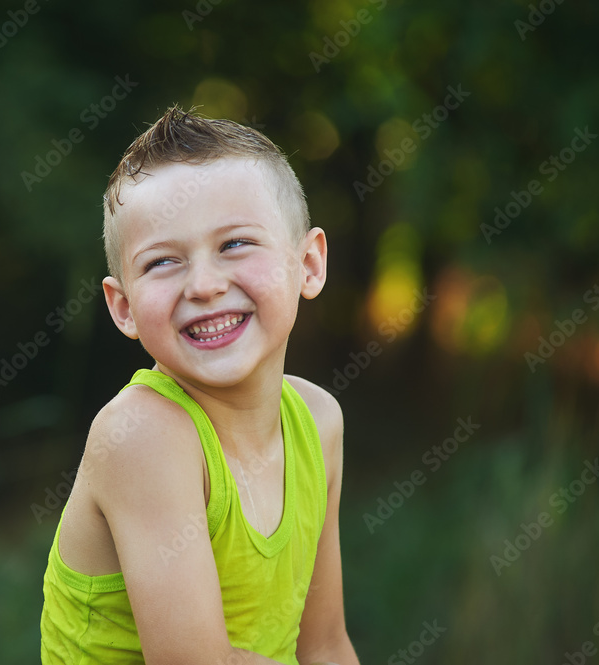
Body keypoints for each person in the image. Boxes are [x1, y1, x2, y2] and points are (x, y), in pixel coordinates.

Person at [40, 105, 360, 665]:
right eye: (163, 262)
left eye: (235, 244)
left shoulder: (318, 420)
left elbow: (326, 646)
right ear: (124, 307)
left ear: (308, 263)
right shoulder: (144, 436)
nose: (205, 285)